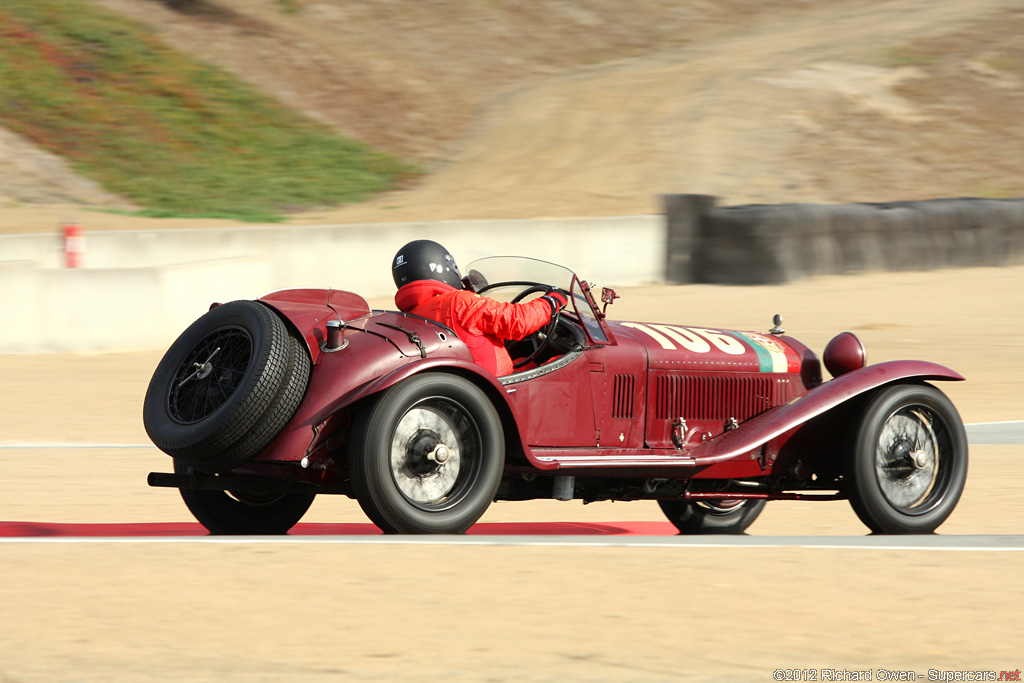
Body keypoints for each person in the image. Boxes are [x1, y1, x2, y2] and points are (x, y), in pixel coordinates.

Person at [392, 240, 567, 377]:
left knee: (523, 361)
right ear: (439, 268)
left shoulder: (409, 317)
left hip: (475, 388)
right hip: (499, 388)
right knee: (568, 364)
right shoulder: (460, 302)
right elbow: (517, 321)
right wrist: (552, 301)